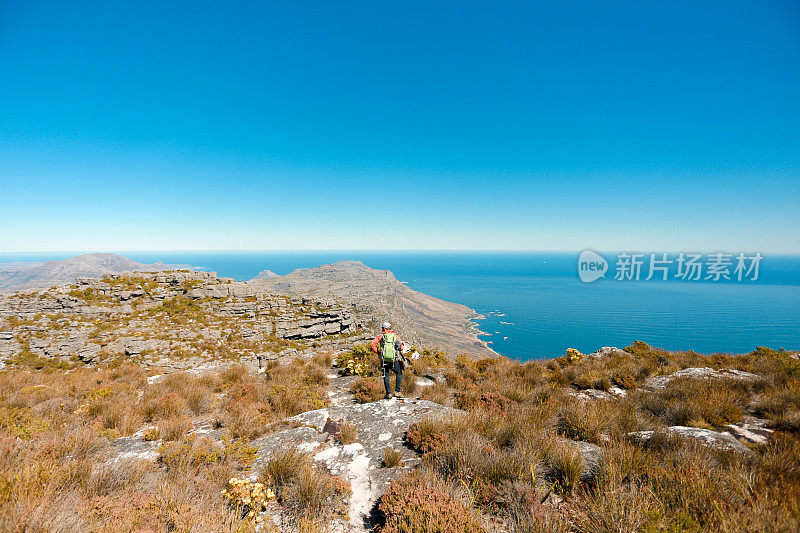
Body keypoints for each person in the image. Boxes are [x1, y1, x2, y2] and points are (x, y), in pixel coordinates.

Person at [370, 321, 403, 399]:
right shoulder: (396, 336)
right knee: (399, 374)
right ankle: (397, 392)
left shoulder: (381, 336)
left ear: (384, 328)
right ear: (390, 328)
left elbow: (372, 344)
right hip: (394, 360)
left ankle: (388, 393)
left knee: (386, 375)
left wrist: (378, 353)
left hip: (384, 360)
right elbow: (401, 348)